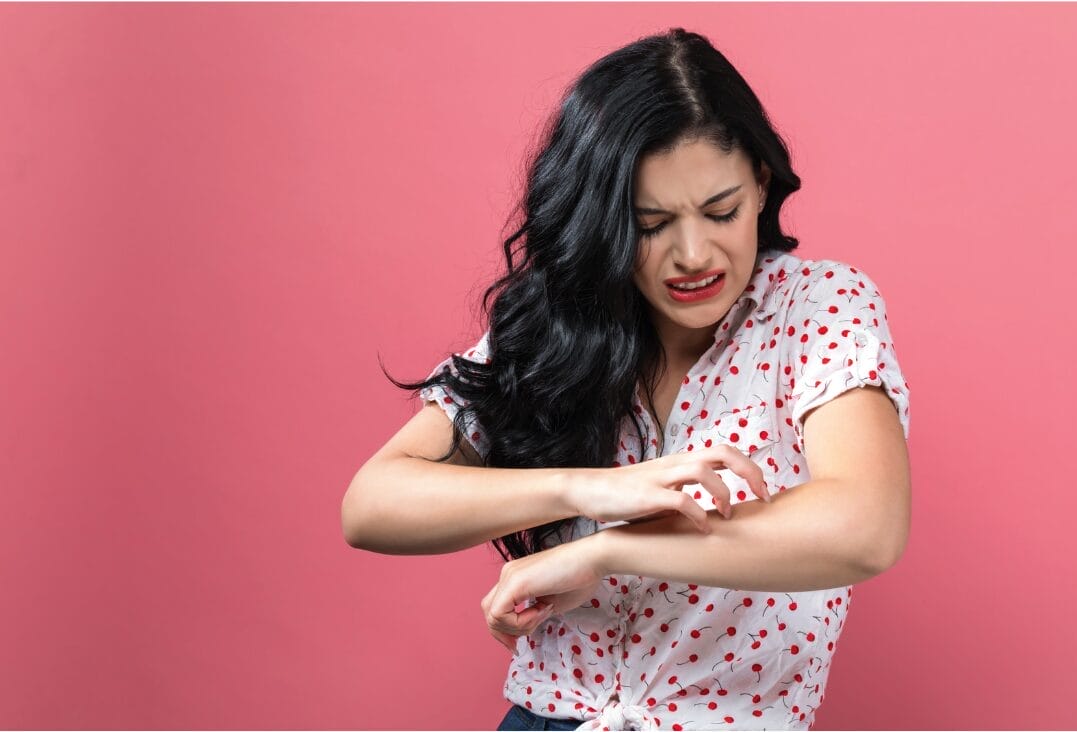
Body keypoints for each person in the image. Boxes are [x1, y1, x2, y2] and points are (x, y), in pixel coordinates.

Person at [342, 27, 912, 732]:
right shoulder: (562, 326)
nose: (693, 253)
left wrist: (606, 549)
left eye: (721, 210)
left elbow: (868, 527)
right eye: (650, 224)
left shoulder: (817, 308)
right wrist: (590, 487)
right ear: (603, 222)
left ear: (762, 186)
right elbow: (370, 505)